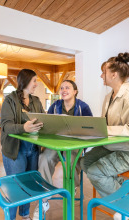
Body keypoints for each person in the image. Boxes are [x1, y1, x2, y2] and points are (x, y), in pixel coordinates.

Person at [80, 52, 129, 219]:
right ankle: (128, 190)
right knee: (85, 162)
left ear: (114, 74)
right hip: (115, 146)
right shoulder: (108, 97)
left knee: (96, 173)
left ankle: (125, 207)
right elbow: (107, 124)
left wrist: (104, 130)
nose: (101, 75)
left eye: (103, 72)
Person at [34, 80, 93, 219]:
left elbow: (91, 128)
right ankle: (44, 199)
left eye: (67, 87)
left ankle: (73, 186)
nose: (64, 90)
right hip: (56, 143)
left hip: (75, 145)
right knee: (44, 158)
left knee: (73, 160)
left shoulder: (83, 107)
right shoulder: (54, 106)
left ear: (75, 91)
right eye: (62, 88)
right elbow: (46, 124)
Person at [1, 69, 45, 220]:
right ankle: (11, 217)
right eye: (34, 80)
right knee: (14, 187)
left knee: (28, 184)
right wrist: (23, 128)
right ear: (25, 81)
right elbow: (6, 126)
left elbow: (43, 120)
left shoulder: (36, 101)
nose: (36, 84)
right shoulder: (10, 100)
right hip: (15, 149)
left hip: (33, 149)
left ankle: (25, 214)